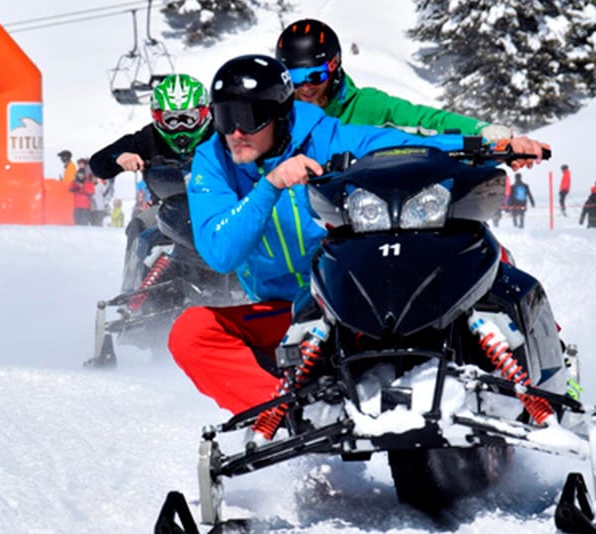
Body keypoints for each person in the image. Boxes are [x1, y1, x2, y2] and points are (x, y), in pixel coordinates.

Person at [167, 54, 547, 415]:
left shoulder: (326, 137)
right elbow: (220, 252)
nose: (234, 132)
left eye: (248, 118)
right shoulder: (213, 161)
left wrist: (496, 147)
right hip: (289, 314)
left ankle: (542, 375)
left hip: (357, 297)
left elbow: (403, 143)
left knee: (484, 263)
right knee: (191, 333)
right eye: (223, 117)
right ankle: (291, 419)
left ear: (280, 115)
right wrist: (269, 186)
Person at [275, 19, 512, 141]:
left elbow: (425, 120)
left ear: (334, 67)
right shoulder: (278, 114)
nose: (306, 86)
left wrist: (481, 131)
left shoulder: (365, 106)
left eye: (316, 75)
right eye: (295, 77)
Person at [89, 73, 213, 280]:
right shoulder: (148, 138)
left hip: (219, 203)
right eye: (171, 120)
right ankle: (132, 295)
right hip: (167, 209)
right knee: (139, 228)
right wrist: (119, 157)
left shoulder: (221, 132)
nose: (181, 128)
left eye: (188, 118)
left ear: (203, 113)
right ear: (158, 118)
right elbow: (97, 163)